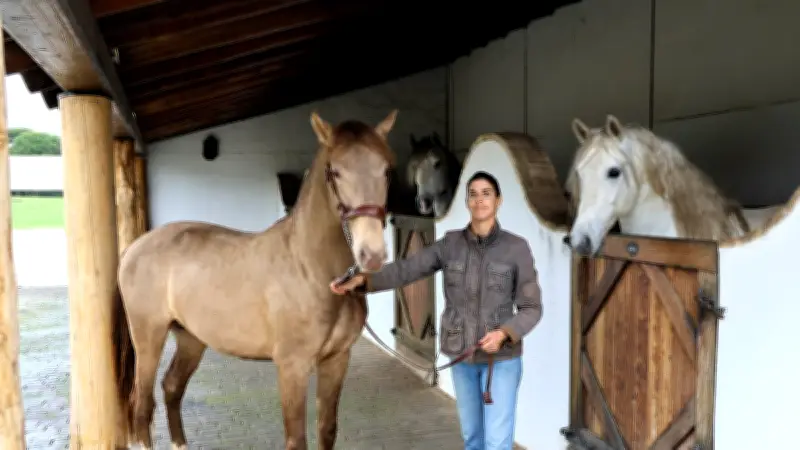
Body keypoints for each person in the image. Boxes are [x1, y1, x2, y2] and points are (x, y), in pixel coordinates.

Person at [330, 170, 543, 450]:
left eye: (486, 194)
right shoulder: (450, 244)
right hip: (461, 356)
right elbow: (407, 269)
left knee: (497, 443)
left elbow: (531, 307)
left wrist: (505, 333)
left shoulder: (516, 248)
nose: (479, 200)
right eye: (473, 194)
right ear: (467, 202)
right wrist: (364, 281)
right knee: (472, 438)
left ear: (498, 201)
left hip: (501, 360)